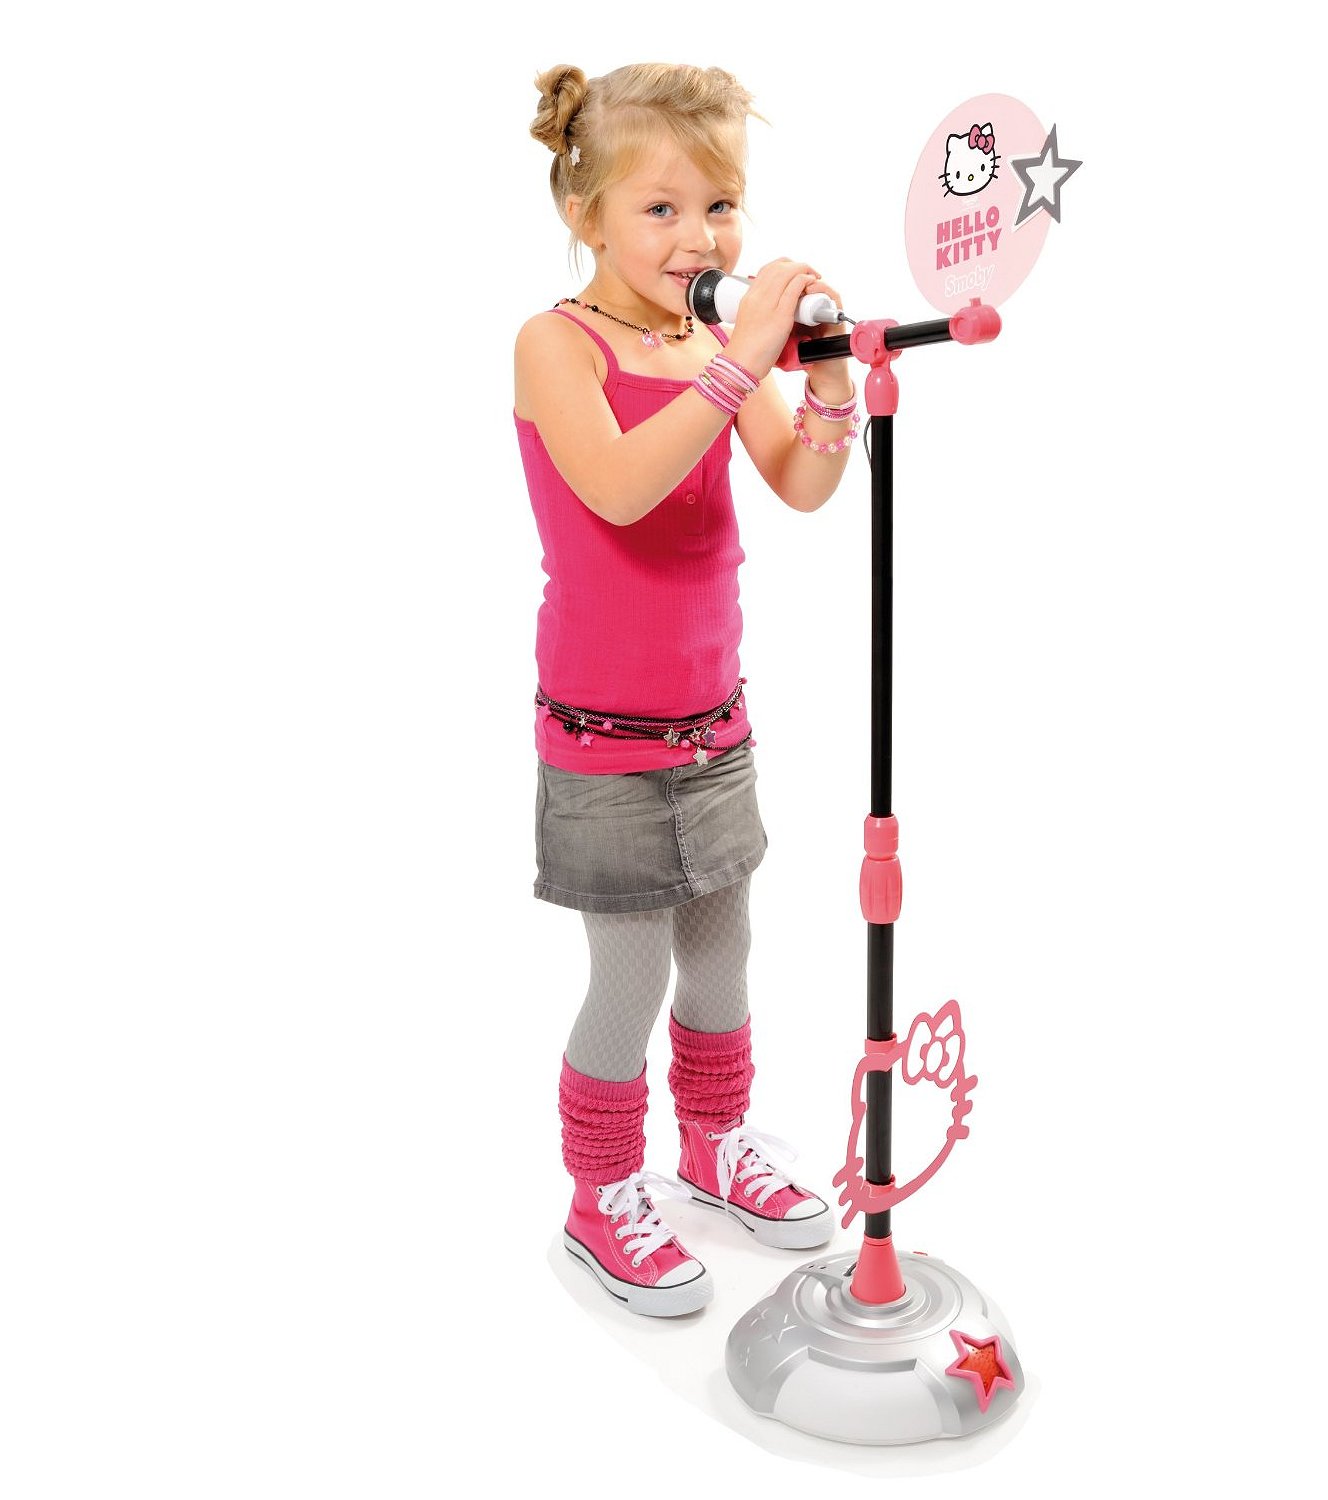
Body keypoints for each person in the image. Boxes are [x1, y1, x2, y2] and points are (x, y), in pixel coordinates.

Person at [515, 62, 860, 1317]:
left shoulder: (713, 343)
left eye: (719, 207)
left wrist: (824, 379)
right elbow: (619, 487)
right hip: (604, 738)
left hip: (715, 726)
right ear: (587, 214)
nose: (699, 238)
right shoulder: (555, 345)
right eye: (660, 209)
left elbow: (802, 483)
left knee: (722, 957)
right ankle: (601, 1193)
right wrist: (740, 361)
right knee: (631, 978)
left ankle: (712, 1146)